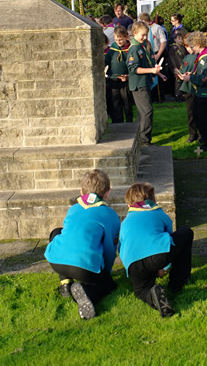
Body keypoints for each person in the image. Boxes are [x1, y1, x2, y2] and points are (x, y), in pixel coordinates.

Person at [44, 170, 120, 320]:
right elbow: (109, 249)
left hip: (57, 261)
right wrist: (106, 272)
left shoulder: (73, 209)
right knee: (109, 285)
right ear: (108, 192)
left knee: (57, 232)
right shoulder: (110, 215)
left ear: (81, 191)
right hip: (85, 269)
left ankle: (65, 282)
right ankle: (87, 291)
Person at [118, 182, 194, 318]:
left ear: (129, 205)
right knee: (185, 233)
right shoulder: (159, 213)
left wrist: (129, 269)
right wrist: (165, 266)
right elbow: (169, 238)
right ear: (154, 200)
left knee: (141, 291)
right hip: (158, 254)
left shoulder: (125, 222)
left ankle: (153, 295)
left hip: (134, 262)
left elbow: (121, 247)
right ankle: (177, 283)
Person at [126, 21, 165, 146]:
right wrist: (152, 70)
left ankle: (139, 137)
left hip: (145, 83)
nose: (144, 38)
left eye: (146, 35)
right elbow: (134, 68)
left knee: (143, 112)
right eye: (142, 35)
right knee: (147, 112)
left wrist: (158, 73)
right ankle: (144, 140)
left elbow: (147, 63)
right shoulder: (134, 49)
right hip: (139, 85)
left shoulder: (142, 46)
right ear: (134, 33)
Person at [179, 31, 207, 151]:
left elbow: (204, 78)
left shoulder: (205, 59)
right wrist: (192, 73)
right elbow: (201, 74)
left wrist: (190, 77)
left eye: (192, 46)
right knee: (197, 116)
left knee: (202, 118)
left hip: (204, 93)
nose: (191, 48)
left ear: (199, 45)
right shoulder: (202, 57)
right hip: (200, 92)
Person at [105, 26, 133, 123]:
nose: (118, 42)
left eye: (120, 39)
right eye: (116, 39)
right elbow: (106, 61)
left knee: (127, 103)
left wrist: (128, 76)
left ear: (126, 37)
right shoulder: (113, 48)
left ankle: (129, 122)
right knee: (115, 104)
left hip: (126, 80)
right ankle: (117, 123)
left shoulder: (130, 49)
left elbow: (132, 65)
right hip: (113, 80)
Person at [177, 33, 199, 143]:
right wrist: (180, 74)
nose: (189, 49)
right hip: (189, 88)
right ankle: (193, 134)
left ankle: (197, 134)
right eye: (187, 46)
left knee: (197, 113)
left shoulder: (200, 57)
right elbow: (182, 70)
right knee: (191, 112)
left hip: (197, 88)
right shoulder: (186, 57)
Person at [168, 31, 186, 102]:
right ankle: (177, 95)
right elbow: (171, 58)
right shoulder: (173, 48)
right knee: (177, 81)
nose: (180, 40)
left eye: (181, 39)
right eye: (179, 39)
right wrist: (174, 67)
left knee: (182, 81)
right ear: (175, 39)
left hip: (182, 66)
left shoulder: (183, 47)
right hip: (176, 67)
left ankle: (181, 94)